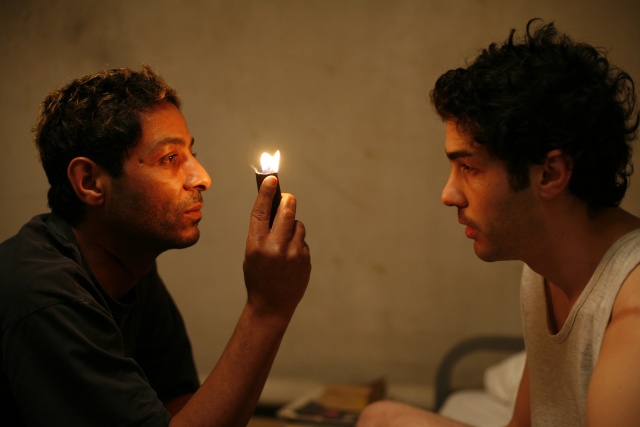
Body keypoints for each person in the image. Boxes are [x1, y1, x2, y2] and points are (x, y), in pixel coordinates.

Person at [356, 19, 640, 426]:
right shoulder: (541, 270)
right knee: (381, 417)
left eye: (469, 167)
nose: (448, 194)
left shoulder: (631, 316)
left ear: (550, 174)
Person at [0, 65, 311, 426]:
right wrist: (266, 309)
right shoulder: (44, 296)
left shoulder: (130, 266)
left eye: (191, 153)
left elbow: (178, 404)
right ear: (89, 182)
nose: (203, 178)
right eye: (170, 158)